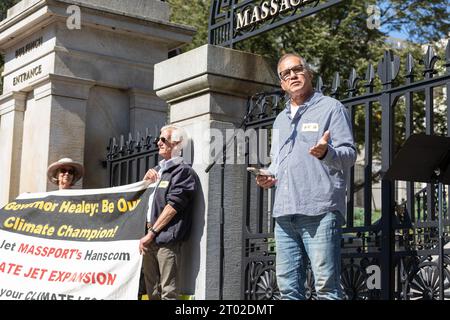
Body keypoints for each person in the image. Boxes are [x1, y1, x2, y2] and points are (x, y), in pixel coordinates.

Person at [256, 53, 356, 300]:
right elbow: (278, 162)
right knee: (288, 290)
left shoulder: (331, 108)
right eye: (286, 74)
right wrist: (269, 176)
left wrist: (327, 152)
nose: (292, 75)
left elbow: (350, 154)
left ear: (308, 73)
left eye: (297, 69)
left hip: (320, 211)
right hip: (284, 214)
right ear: (282, 84)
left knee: (326, 289)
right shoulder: (280, 120)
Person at [139, 125, 198, 300]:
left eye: (163, 139)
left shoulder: (183, 172)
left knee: (168, 292)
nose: (159, 142)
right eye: (159, 139)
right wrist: (144, 183)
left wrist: (152, 233)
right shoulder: (158, 171)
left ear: (177, 143)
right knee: (152, 292)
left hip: (166, 239)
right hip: (149, 238)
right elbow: (143, 203)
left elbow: (173, 206)